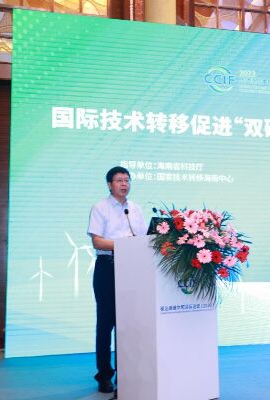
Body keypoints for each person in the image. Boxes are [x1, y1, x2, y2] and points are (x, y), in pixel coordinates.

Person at [87, 166, 147, 393]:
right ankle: (104, 375)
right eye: (119, 180)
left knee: (128, 324)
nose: (124, 184)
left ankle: (127, 373)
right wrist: (125, 245)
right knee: (106, 324)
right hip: (108, 267)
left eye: (127, 180)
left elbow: (144, 239)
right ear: (109, 184)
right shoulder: (100, 208)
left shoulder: (135, 209)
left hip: (133, 269)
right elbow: (97, 242)